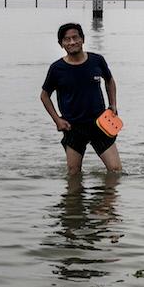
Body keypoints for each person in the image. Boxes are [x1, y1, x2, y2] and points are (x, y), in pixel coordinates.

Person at [40, 23, 122, 176]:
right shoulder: (57, 69)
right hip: (73, 126)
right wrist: (57, 120)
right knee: (73, 174)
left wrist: (113, 104)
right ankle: (75, 200)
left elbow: (109, 80)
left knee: (116, 171)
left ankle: (107, 199)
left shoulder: (97, 60)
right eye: (66, 39)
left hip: (100, 123)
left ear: (82, 39)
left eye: (75, 37)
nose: (71, 42)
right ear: (61, 44)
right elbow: (44, 96)